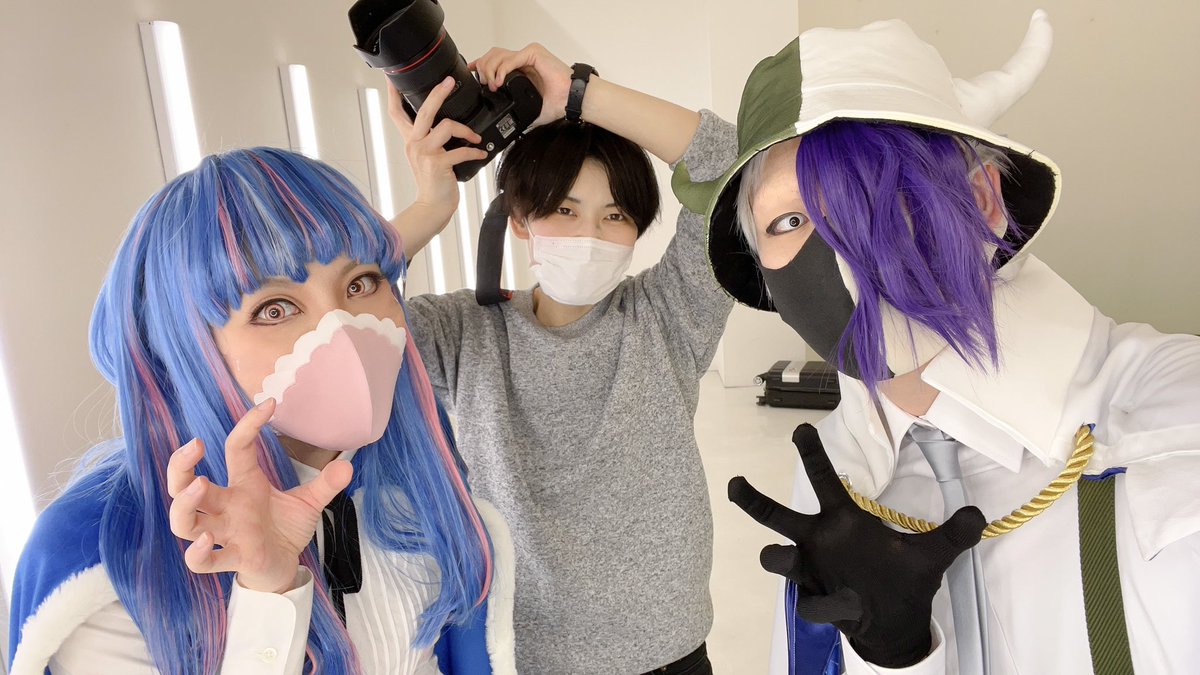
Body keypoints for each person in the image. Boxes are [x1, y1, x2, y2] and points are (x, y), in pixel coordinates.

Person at [671, 10, 1200, 674]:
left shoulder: (1169, 414)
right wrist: (892, 657)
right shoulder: (833, 488)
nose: (838, 254)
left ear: (982, 201)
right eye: (788, 220)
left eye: (873, 191)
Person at [7, 148, 515, 674]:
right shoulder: (108, 557)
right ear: (184, 351)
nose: (342, 327)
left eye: (361, 283)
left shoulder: (418, 493)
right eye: (274, 309)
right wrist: (268, 594)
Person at [384, 46, 736, 673]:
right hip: (524, 653)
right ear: (520, 220)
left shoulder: (669, 313)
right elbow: (342, 309)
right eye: (565, 210)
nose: (590, 236)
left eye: (615, 215)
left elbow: (730, 163)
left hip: (666, 651)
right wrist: (429, 206)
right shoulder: (463, 332)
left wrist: (578, 96)